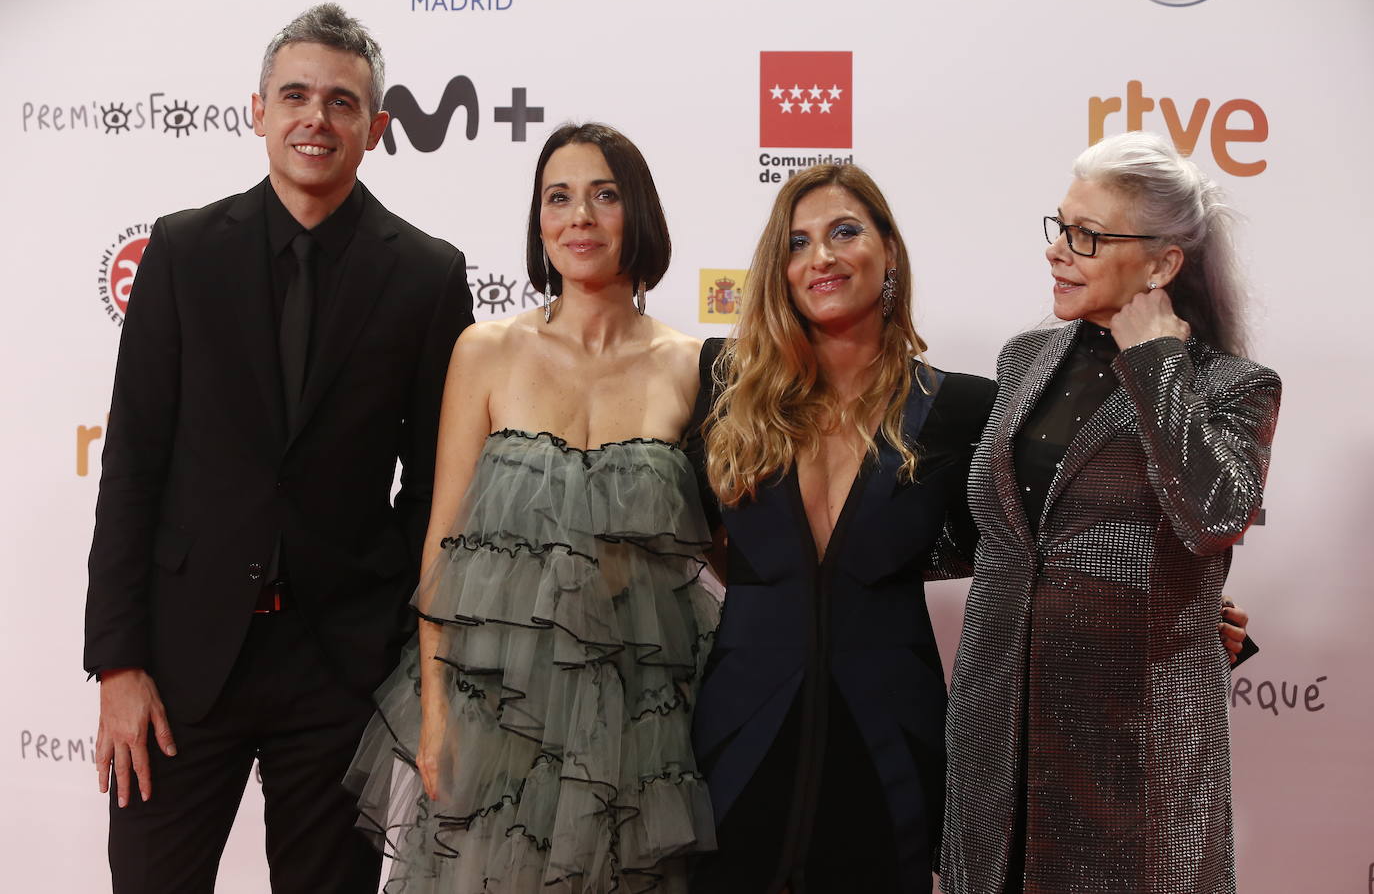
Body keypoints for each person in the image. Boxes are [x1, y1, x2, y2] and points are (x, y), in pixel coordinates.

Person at [83, 4, 473, 893]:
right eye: (294, 95)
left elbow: (438, 488)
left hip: (338, 670)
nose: (315, 118)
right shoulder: (181, 252)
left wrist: (388, 639)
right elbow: (132, 464)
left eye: (342, 103)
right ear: (255, 110)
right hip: (179, 665)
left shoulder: (426, 274)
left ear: (376, 129)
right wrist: (117, 661)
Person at [345, 123, 719, 893]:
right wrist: (438, 711)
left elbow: (717, 545)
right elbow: (444, 539)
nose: (579, 216)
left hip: (638, 716)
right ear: (538, 222)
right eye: (559, 197)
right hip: (497, 706)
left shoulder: (696, 366)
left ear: (637, 214)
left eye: (603, 195)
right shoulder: (484, 350)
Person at [939, 132, 1281, 894]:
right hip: (999, 730)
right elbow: (1000, 534)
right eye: (1059, 226)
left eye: (1088, 236)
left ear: (1161, 265)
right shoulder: (1023, 359)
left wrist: (1154, 362)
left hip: (1132, 748)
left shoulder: (1232, 385)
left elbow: (1213, 518)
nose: (1060, 251)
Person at [687, 164, 996, 893]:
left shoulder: (961, 406)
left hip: (890, 732)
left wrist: (1171, 613)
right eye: (798, 243)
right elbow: (687, 533)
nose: (820, 257)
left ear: (889, 251)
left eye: (844, 232)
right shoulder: (726, 382)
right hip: (738, 731)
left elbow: (1023, 557)